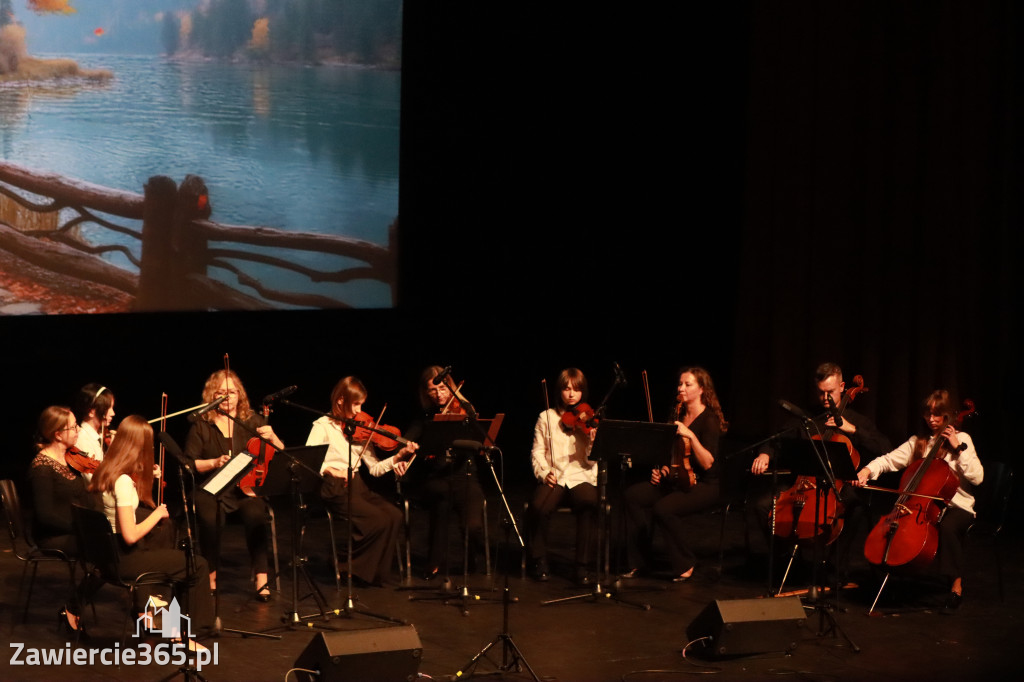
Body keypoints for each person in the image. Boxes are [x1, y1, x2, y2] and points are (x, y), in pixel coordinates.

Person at [747, 362, 891, 580]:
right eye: (821, 392)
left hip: (838, 487)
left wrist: (851, 430)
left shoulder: (858, 420)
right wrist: (765, 453)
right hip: (803, 484)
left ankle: (834, 569)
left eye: (830, 392)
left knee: (857, 508)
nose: (825, 398)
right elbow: (778, 438)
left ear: (842, 387)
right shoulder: (806, 418)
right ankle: (784, 557)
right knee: (762, 505)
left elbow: (885, 447)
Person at [855, 389, 983, 610]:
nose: (932, 420)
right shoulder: (920, 442)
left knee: (949, 526)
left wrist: (957, 448)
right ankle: (894, 575)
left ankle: (955, 584)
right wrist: (867, 470)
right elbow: (889, 460)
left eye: (937, 415)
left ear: (949, 416)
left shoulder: (962, 440)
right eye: (928, 414)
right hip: (922, 507)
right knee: (889, 527)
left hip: (957, 506)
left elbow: (977, 477)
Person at [90, 415, 213, 643]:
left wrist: (148, 478)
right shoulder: (123, 482)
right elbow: (130, 535)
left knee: (164, 542)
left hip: (108, 555)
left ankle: (162, 620)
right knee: (197, 566)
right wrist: (157, 514)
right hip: (125, 559)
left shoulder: (105, 471)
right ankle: (188, 636)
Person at [307, 376, 418, 587]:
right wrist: (332, 470)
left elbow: (375, 469)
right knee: (376, 520)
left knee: (393, 515)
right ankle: (343, 562)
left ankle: (376, 573)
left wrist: (398, 457)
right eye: (355, 404)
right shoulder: (322, 426)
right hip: (333, 486)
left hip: (357, 484)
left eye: (361, 405)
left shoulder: (360, 429)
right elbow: (309, 461)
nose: (359, 411)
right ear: (341, 400)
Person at [183, 369, 283, 600]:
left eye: (232, 392)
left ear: (240, 395)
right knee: (209, 517)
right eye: (221, 392)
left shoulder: (252, 421)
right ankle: (211, 575)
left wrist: (274, 438)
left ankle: (261, 577)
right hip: (211, 488)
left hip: (245, 488)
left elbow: (280, 455)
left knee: (256, 514)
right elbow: (188, 463)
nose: (227, 397)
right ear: (212, 396)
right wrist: (213, 462)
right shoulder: (202, 425)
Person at [621, 367, 728, 581]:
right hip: (678, 479)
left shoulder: (709, 420)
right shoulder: (677, 414)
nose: (681, 388)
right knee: (633, 495)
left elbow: (708, 463)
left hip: (705, 485)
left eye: (688, 384)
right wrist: (662, 470)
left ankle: (685, 563)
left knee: (663, 508)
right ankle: (640, 561)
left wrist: (691, 435)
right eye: (680, 384)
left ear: (702, 389)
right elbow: (671, 454)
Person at [400, 366, 487, 580]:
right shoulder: (425, 416)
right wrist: (407, 446)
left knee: (473, 526)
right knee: (442, 496)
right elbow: (408, 437)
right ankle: (435, 560)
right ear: (425, 392)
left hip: (466, 476)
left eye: (442, 388)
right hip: (437, 477)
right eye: (432, 390)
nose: (439, 394)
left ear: (450, 387)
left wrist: (457, 393)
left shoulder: (463, 411)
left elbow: (475, 421)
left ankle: (473, 555)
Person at [27, 406, 96, 632]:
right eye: (73, 427)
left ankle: (74, 605)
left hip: (73, 530)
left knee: (111, 547)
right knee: (105, 553)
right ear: (57, 434)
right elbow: (45, 516)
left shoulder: (70, 457)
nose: (77, 430)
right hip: (52, 536)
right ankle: (73, 606)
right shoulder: (42, 468)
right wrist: (80, 529)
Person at [527, 368, 598, 585]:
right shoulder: (546, 417)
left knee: (588, 502)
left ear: (582, 392)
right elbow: (537, 451)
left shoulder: (589, 419)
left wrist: (593, 442)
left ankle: (581, 566)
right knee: (538, 507)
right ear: (560, 391)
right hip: (555, 474)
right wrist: (543, 472)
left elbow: (592, 461)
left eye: (576, 390)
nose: (571, 394)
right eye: (567, 389)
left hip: (580, 474)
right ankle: (539, 559)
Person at [72, 384, 116, 474]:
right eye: (107, 408)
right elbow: (95, 481)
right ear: (91, 411)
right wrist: (114, 451)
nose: (113, 413)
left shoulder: (102, 435)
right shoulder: (81, 440)